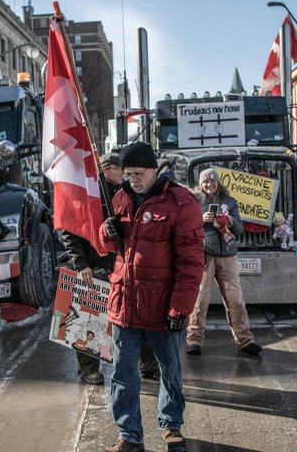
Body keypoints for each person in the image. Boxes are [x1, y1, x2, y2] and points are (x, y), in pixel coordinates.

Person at [99, 142, 205, 452]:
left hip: (162, 305)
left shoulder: (181, 203)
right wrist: (107, 232)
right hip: (124, 302)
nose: (133, 179)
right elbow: (109, 249)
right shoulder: (120, 198)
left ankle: (171, 424)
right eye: (128, 174)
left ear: (154, 169)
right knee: (121, 371)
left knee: (169, 368)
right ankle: (129, 435)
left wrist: (179, 309)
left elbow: (191, 263)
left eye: (139, 173)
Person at [63, 152, 158, 385]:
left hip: (122, 264)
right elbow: (70, 233)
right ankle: (88, 369)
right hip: (93, 266)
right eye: (120, 170)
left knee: (135, 316)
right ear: (106, 169)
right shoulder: (87, 195)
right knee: (88, 319)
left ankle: (148, 363)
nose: (125, 175)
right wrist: (81, 264)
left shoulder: (126, 193)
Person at [185, 168, 262, 357]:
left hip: (228, 255)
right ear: (200, 184)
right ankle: (194, 340)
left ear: (218, 183)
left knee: (235, 300)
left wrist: (230, 220)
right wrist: (200, 220)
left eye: (212, 182)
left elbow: (239, 228)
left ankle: (245, 340)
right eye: (205, 182)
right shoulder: (194, 202)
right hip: (204, 255)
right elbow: (186, 227)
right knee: (200, 300)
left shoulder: (230, 202)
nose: (209, 185)